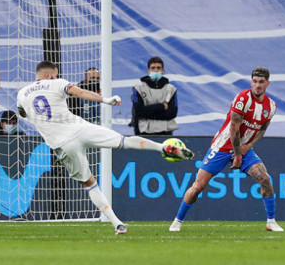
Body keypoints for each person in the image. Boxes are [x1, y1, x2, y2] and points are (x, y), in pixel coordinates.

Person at [17, 60, 194, 235]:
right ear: (49, 75)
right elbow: (79, 92)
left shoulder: (22, 94)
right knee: (123, 141)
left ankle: (117, 224)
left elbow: (22, 112)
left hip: (62, 145)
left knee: (90, 184)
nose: (56, 77)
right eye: (55, 74)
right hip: (80, 129)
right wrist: (106, 100)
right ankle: (161, 147)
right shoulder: (57, 83)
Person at [169, 67, 284, 232]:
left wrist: (247, 147)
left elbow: (262, 129)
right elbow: (233, 129)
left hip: (243, 148)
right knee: (197, 187)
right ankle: (177, 222)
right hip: (222, 146)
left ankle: (271, 222)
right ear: (251, 82)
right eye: (255, 81)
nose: (257, 85)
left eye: (261, 82)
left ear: (267, 83)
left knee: (265, 179)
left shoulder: (271, 106)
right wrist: (237, 154)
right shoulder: (243, 99)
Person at [129, 56, 178, 135]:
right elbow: (138, 111)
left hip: (165, 131)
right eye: (153, 68)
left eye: (158, 68)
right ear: (148, 70)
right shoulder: (138, 88)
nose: (156, 70)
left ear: (163, 70)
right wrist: (162, 107)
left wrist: (147, 111)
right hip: (143, 131)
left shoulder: (171, 89)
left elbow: (172, 113)